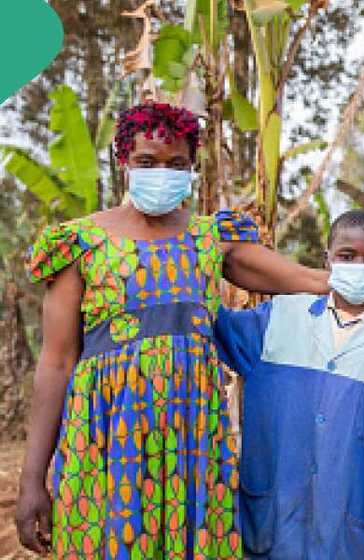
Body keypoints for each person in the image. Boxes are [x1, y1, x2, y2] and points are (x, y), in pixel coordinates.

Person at [14, 102, 330, 558]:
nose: (161, 172)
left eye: (176, 164)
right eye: (147, 162)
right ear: (124, 162)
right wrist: (31, 481)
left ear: (191, 167)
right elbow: (57, 362)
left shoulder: (210, 238)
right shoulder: (80, 243)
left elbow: (310, 280)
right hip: (106, 438)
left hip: (192, 438)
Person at [213, 210, 364, 559]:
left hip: (357, 542)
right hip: (270, 534)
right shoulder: (279, 318)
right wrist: (196, 244)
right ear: (327, 259)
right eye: (347, 256)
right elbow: (204, 321)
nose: (359, 266)